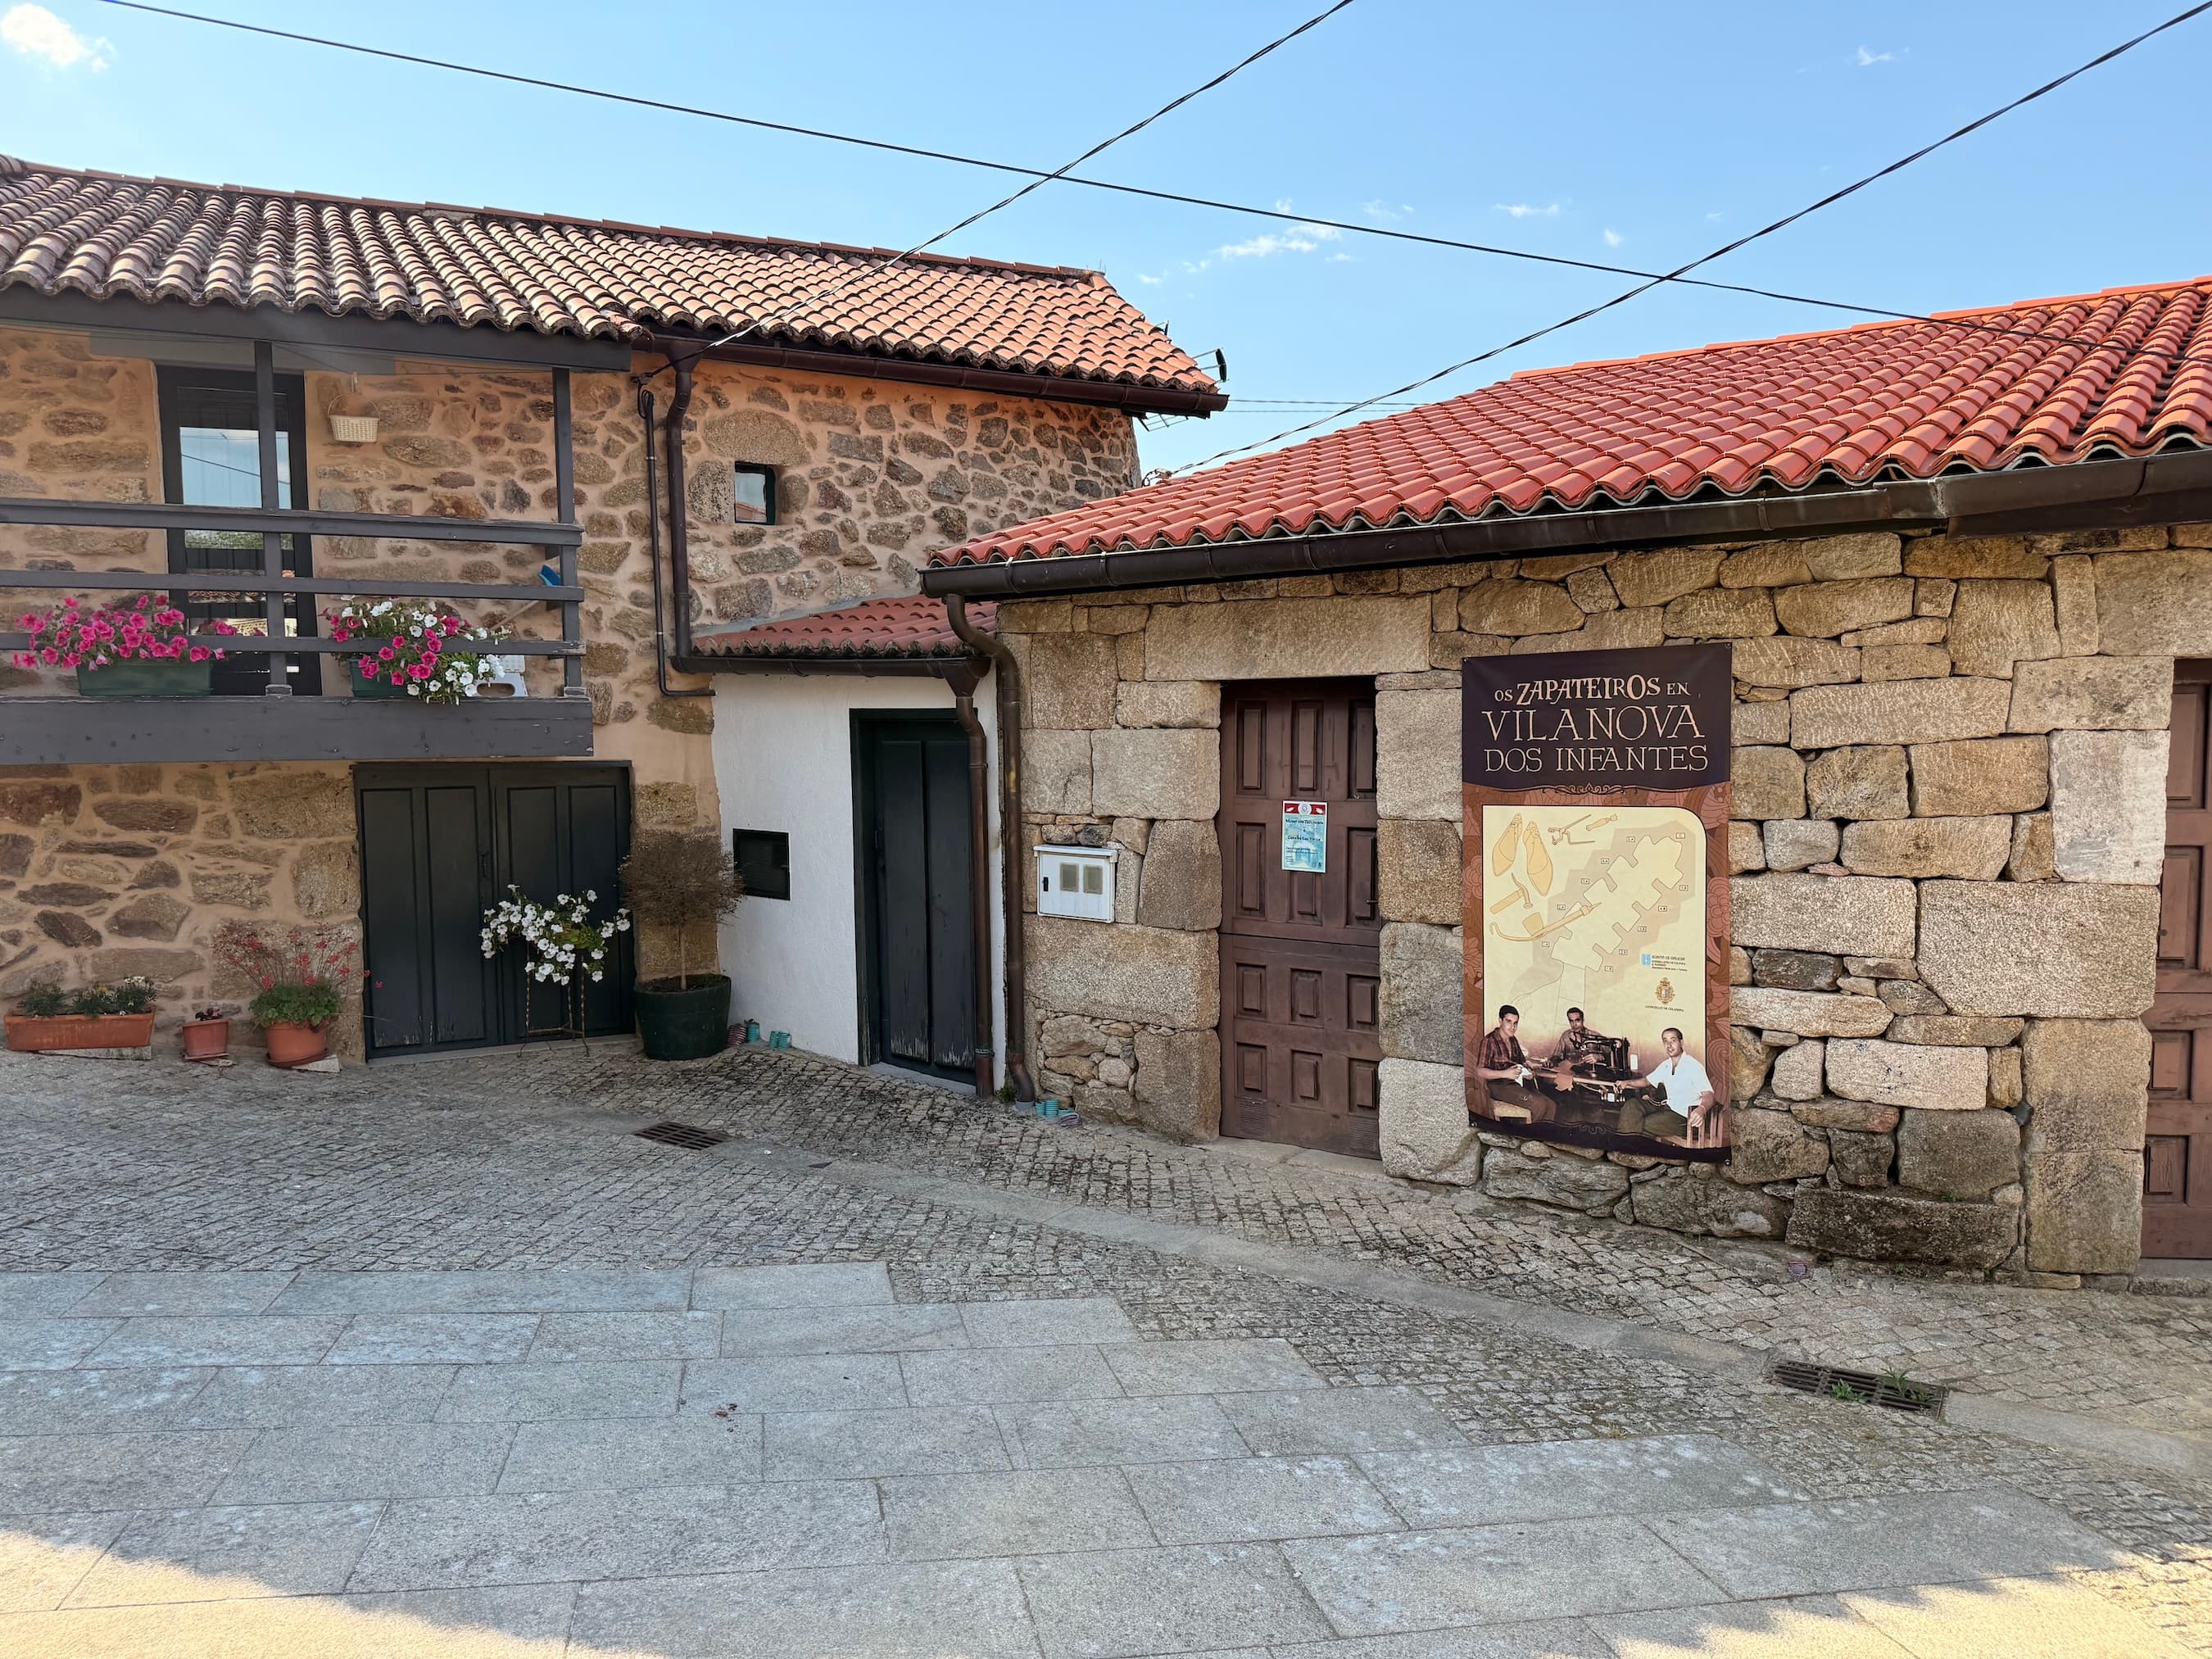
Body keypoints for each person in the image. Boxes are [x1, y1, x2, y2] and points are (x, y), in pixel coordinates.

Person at [1648, 1026, 1718, 1144]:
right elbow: (1647, 1080)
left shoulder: (1693, 1066)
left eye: (1673, 1041)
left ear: (1681, 1043)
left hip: (1688, 1121)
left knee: (1644, 1123)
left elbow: (1709, 1095)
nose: (1669, 1045)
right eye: (1665, 1041)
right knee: (1638, 1115)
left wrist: (1701, 1109)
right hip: (1672, 1112)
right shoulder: (1667, 1065)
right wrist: (1626, 1083)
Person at [1546, 1006, 1618, 1072]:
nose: (1574, 1025)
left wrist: (1599, 1057)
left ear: (1583, 1020)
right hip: (1571, 1074)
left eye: (1577, 1021)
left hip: (1590, 1075)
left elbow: (1612, 1056)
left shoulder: (1593, 1036)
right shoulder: (1566, 1036)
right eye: (1571, 1021)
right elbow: (1557, 1055)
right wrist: (1552, 1061)